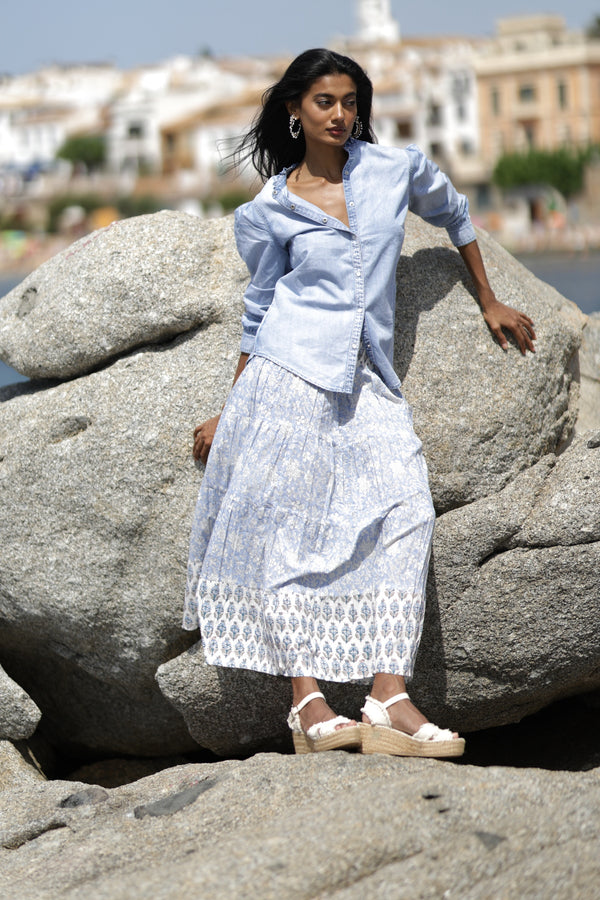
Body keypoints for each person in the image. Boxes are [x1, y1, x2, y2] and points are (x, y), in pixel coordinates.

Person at [182, 49, 536, 757]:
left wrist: (488, 297)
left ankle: (386, 694)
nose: (341, 115)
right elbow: (260, 308)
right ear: (294, 110)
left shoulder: (393, 169)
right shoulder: (269, 210)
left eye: (350, 101)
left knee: (407, 509)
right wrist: (233, 405)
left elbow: (456, 213)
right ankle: (306, 704)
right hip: (285, 374)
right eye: (324, 102)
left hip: (367, 376)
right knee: (288, 531)